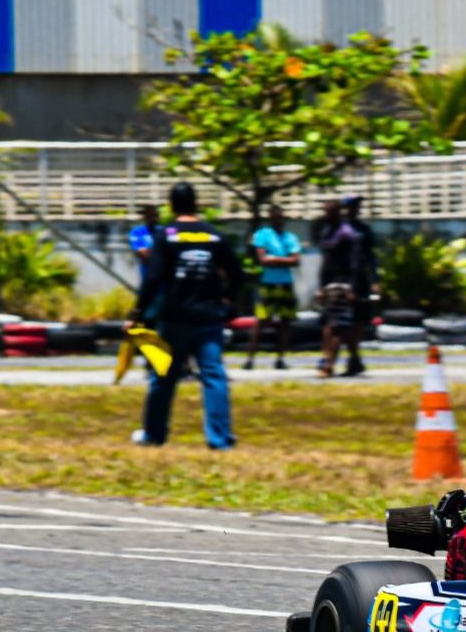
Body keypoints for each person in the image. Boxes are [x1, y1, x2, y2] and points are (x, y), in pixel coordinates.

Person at [127, 182, 243, 449]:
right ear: (196, 203)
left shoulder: (167, 235)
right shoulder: (213, 235)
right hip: (208, 316)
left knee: (163, 376)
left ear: (172, 205)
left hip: (176, 317)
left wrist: (138, 312)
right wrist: (227, 301)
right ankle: (220, 438)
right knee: (213, 375)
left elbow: (153, 278)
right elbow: (237, 275)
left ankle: (153, 435)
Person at [245, 203, 302, 370]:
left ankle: (280, 358)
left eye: (281, 218)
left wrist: (274, 259)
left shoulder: (290, 237)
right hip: (268, 283)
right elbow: (262, 260)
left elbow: (296, 260)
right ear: (270, 218)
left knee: (285, 322)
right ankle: (250, 359)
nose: (279, 221)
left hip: (285, 283)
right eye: (275, 218)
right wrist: (284, 260)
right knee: (261, 320)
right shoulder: (262, 235)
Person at [313, 199, 360, 377]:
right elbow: (325, 262)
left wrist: (351, 288)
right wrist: (321, 287)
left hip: (343, 283)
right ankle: (355, 360)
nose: (326, 216)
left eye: (329, 213)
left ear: (337, 213)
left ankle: (328, 365)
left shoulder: (347, 234)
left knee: (335, 326)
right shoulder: (327, 232)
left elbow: (355, 263)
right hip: (329, 283)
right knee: (341, 326)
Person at [342, 195, 378, 377]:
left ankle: (354, 358)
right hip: (342, 278)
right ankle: (354, 357)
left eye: (358, 206)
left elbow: (371, 257)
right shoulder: (340, 229)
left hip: (361, 279)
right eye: (353, 206)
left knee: (359, 321)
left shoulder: (364, 230)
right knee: (343, 322)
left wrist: (375, 280)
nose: (356, 209)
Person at [128, 204, 159, 291]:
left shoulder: (163, 230)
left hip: (164, 283)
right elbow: (143, 255)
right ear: (145, 217)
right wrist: (160, 252)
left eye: (156, 216)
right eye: (151, 216)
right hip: (147, 278)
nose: (154, 219)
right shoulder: (137, 232)